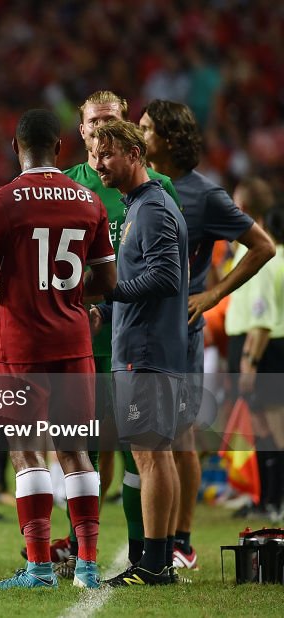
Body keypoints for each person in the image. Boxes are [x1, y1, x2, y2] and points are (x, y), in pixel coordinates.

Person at [0, 109, 116, 590]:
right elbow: (107, 282)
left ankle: (40, 567)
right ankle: (87, 566)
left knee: (27, 454)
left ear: (15, 147)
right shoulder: (87, 200)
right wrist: (65, 296)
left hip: (21, 344)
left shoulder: (1, 201)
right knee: (76, 453)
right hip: (73, 342)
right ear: (61, 147)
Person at [139, 100, 274, 570]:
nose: (140, 135)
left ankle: (181, 541)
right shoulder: (139, 188)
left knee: (179, 439)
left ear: (172, 139)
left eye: (146, 128)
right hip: (138, 331)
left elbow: (263, 246)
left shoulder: (203, 194)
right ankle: (154, 541)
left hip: (183, 333)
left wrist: (214, 293)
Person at [62, 90, 181, 574]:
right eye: (92, 126)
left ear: (129, 135)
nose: (97, 135)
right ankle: (79, 550)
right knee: (81, 450)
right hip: (83, 342)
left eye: (109, 126)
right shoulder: (67, 183)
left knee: (142, 455)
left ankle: (145, 553)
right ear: (81, 128)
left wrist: (108, 297)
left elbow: (166, 267)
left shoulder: (154, 191)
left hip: (138, 342)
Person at [89, 120, 189, 587]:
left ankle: (153, 564)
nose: (98, 162)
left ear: (134, 153)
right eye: (94, 152)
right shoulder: (142, 206)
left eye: (106, 153)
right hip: (144, 346)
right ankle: (158, 560)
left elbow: (166, 278)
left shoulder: (152, 209)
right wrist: (108, 312)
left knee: (150, 455)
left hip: (146, 352)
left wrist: (113, 294)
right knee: (157, 454)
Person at [225, 182, 284, 521]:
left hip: (264, 349)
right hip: (255, 346)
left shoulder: (263, 256)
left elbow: (261, 319)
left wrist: (249, 361)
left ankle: (273, 500)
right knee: (263, 431)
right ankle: (267, 499)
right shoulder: (248, 252)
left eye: (235, 205)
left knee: (273, 430)